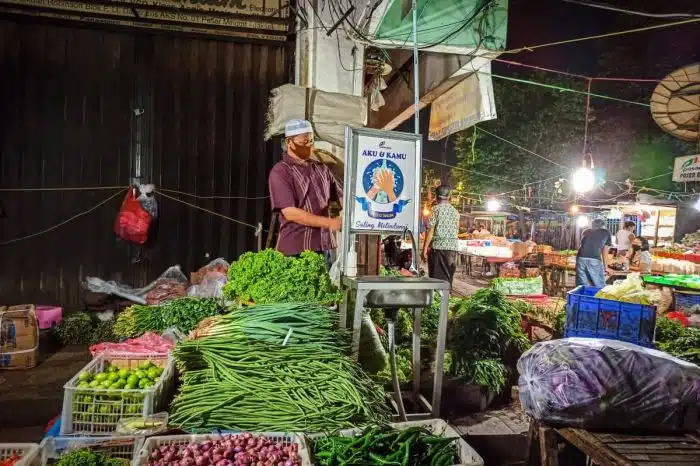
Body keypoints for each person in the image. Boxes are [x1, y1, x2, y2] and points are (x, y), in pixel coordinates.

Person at [268, 119, 342, 260]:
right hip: (296, 249)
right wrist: (329, 222)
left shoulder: (322, 169)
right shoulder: (280, 172)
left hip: (324, 246)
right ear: (289, 142)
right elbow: (290, 212)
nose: (309, 146)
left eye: (311, 142)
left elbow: (339, 197)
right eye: (303, 143)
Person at [421, 185, 460, 286]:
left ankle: (438, 299)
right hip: (452, 249)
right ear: (449, 196)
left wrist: (424, 250)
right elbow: (456, 229)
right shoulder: (455, 212)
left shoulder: (435, 209)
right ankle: (447, 297)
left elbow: (430, 231)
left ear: (436, 196)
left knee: (436, 279)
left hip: (439, 248)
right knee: (448, 276)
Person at [576, 218, 612, 288]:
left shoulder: (585, 231)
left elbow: (582, 245)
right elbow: (604, 251)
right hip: (594, 259)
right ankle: (597, 298)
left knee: (582, 285)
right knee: (598, 285)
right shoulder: (606, 232)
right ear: (603, 226)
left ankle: (582, 298)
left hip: (580, 259)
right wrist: (606, 267)